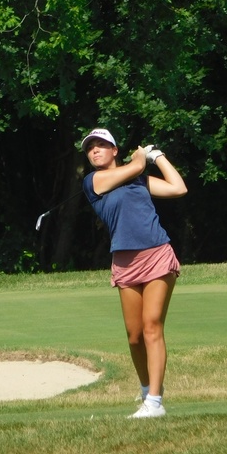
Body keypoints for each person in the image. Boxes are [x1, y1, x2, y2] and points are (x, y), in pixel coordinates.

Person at [81, 127, 188, 418]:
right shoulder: (93, 182)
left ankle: (155, 401)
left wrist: (158, 156)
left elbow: (178, 188)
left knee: (152, 326)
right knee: (134, 336)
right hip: (125, 262)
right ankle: (146, 391)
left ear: (115, 150)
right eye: (90, 147)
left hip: (156, 254)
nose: (95, 150)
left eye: (101, 145)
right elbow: (136, 165)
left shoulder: (139, 179)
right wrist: (141, 156)